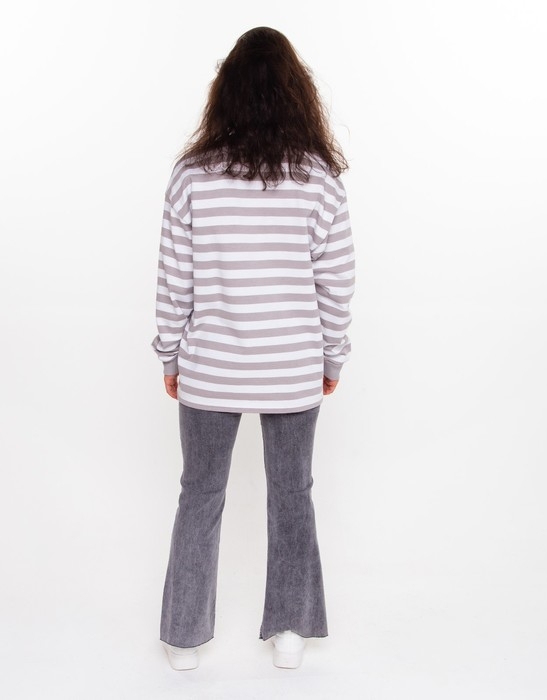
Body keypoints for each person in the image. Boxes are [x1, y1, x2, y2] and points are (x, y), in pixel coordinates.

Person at [151, 26, 355, 671]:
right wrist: (332, 358)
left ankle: (185, 639)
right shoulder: (319, 179)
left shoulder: (192, 176)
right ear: (298, 94)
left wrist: (169, 356)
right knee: (293, 493)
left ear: (226, 93)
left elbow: (173, 279)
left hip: (210, 366)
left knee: (199, 493)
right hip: (292, 366)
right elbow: (337, 282)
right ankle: (290, 632)